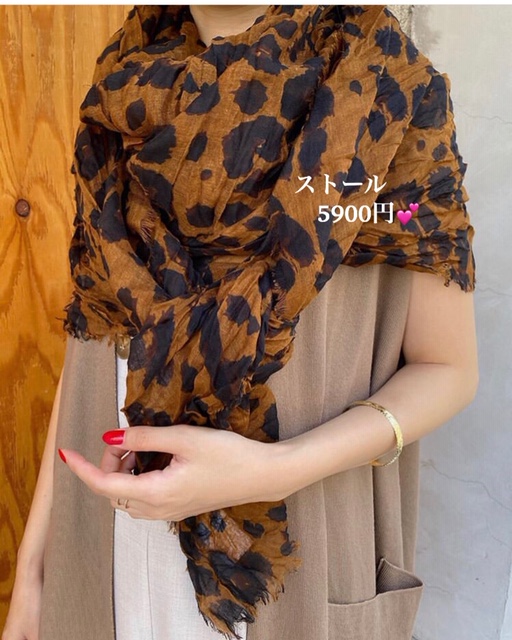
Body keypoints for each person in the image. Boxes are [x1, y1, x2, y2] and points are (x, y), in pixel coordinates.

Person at [3, 5, 478, 640]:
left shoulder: (384, 94)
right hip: (109, 557)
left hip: (291, 559)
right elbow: (94, 343)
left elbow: (448, 368)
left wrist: (279, 468)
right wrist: (34, 568)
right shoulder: (122, 92)